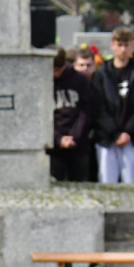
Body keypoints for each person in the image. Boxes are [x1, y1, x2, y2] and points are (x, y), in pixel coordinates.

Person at [91, 27, 134, 183]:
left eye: (126, 45)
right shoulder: (101, 73)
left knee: (131, 182)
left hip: (131, 138)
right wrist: (114, 132)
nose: (123, 49)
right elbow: (99, 106)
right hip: (107, 138)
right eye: (119, 45)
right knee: (107, 181)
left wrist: (128, 132)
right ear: (112, 45)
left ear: (132, 46)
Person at [47, 46, 93, 181]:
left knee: (79, 184)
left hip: (78, 144)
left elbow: (86, 111)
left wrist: (73, 136)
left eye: (59, 69)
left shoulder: (80, 80)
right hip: (53, 144)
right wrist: (58, 138)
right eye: (53, 69)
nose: (56, 73)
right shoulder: (43, 81)